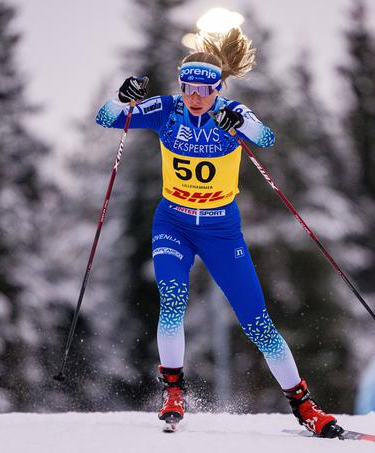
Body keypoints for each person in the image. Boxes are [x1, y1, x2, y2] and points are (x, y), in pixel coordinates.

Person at [96, 28, 342, 438]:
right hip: (172, 223)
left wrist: (241, 123)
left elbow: (266, 137)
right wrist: (121, 97)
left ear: (218, 88)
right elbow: (106, 118)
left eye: (204, 90)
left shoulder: (231, 112)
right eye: (188, 88)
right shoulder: (165, 110)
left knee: (256, 322)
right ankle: (173, 391)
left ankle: (305, 407)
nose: (195, 97)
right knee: (172, 301)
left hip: (220, 230)